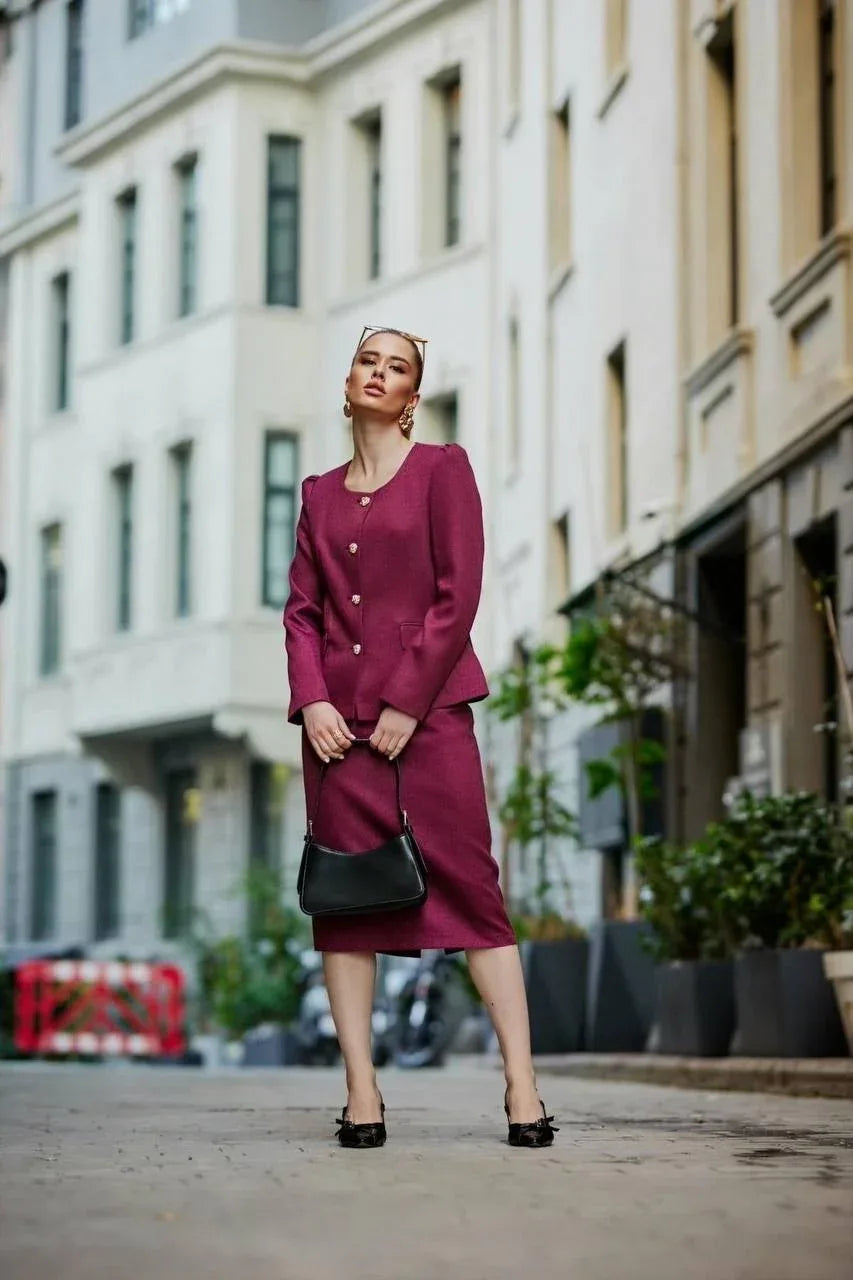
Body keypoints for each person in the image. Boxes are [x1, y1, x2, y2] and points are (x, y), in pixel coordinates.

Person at [283, 325, 558, 1150]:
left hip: (428, 720)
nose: (380, 374)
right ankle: (361, 1092)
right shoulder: (318, 493)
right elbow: (302, 612)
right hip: (338, 734)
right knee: (344, 903)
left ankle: (521, 1087)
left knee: (473, 894)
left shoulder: (444, 470)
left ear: (411, 399)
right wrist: (313, 702)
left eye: (397, 367)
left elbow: (456, 595)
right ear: (349, 381)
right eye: (370, 360)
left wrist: (405, 702)